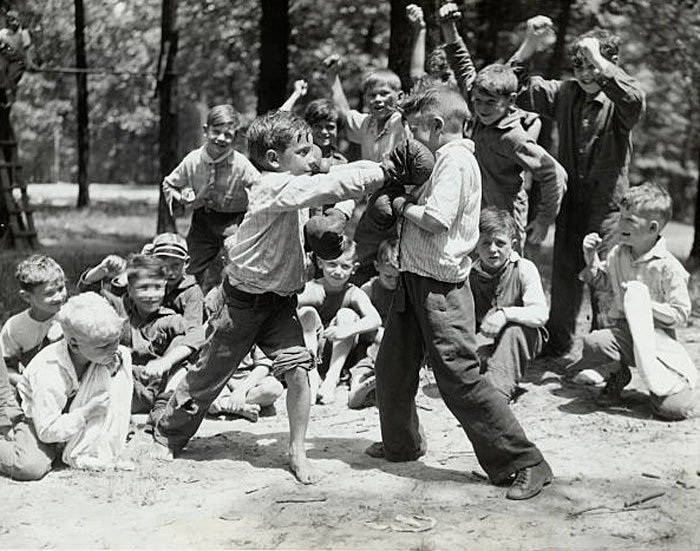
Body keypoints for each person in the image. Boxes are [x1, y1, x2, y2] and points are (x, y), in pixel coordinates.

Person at [150, 110, 388, 484]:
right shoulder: (274, 185)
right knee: (205, 379)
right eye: (304, 150)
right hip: (241, 305)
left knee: (298, 372)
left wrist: (382, 163)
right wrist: (385, 173)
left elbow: (336, 175)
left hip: (279, 305)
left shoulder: (296, 180)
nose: (315, 157)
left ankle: (296, 450)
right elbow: (333, 187)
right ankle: (167, 432)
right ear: (275, 159)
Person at [368, 86, 552, 500]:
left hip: (441, 288)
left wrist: (399, 206)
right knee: (392, 367)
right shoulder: (441, 160)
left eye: (415, 130)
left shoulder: (455, 161)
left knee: (461, 379)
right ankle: (402, 444)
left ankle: (526, 461)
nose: (410, 139)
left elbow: (434, 221)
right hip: (414, 277)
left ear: (436, 126)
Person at [510, 17, 646, 356]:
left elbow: (635, 99)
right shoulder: (565, 92)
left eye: (592, 65)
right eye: (579, 65)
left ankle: (603, 353)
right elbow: (513, 85)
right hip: (571, 199)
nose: (585, 73)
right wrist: (529, 43)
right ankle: (558, 342)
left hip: (607, 203)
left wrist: (600, 63)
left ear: (612, 63)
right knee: (565, 270)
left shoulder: (620, 99)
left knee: (604, 274)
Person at [438, 3, 566, 251]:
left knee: (504, 282)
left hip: (504, 224)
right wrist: (448, 26)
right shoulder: (480, 102)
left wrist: (543, 220)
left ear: (510, 101)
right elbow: (462, 62)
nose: (482, 108)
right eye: (477, 101)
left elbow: (555, 174)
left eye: (490, 103)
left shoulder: (514, 138)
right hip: (473, 217)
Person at [578, 183, 699, 420]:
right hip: (623, 333)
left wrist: (644, 306)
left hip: (656, 340)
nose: (620, 225)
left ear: (652, 227)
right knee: (595, 342)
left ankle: (666, 387)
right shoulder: (617, 254)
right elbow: (602, 282)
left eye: (629, 220)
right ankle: (618, 374)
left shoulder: (669, 267)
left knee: (672, 410)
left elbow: (682, 314)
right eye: (620, 217)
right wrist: (591, 258)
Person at [0, 292, 132, 480]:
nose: (114, 349)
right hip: (35, 416)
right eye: (103, 346)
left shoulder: (101, 355)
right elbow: (46, 430)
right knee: (32, 466)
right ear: (75, 345)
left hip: (68, 412)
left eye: (116, 341)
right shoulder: (49, 371)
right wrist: (86, 412)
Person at [326, 57, 409, 284]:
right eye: (372, 95)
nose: (377, 100)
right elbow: (343, 112)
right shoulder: (366, 124)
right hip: (374, 207)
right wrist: (333, 77)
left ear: (399, 97)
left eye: (384, 93)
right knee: (362, 256)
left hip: (404, 207)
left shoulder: (405, 123)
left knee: (398, 261)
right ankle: (359, 299)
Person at [161, 104, 259, 288]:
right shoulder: (193, 159)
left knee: (234, 268)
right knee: (189, 269)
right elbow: (169, 183)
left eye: (228, 134)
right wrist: (181, 198)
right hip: (203, 222)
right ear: (206, 130)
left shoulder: (241, 164)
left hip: (234, 222)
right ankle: (184, 305)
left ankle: (228, 308)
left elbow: (261, 188)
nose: (221, 138)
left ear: (235, 136)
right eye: (216, 132)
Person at [470, 208, 548, 403]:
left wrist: (505, 313)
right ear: (475, 246)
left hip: (521, 337)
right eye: (485, 243)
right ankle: (490, 372)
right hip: (484, 338)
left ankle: (494, 397)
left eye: (500, 243)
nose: (493, 250)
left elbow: (540, 314)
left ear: (512, 245)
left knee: (515, 331)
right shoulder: (469, 274)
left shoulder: (523, 268)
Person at [297, 239, 382, 405]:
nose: (338, 272)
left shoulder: (353, 292)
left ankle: (331, 380)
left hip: (340, 353)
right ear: (320, 263)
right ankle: (312, 376)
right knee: (307, 312)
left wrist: (347, 330)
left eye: (345, 266)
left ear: (354, 268)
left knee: (346, 314)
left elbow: (375, 319)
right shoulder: (310, 289)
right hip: (311, 350)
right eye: (332, 264)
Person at [348, 238, 399, 409]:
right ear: (377, 267)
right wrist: (377, 333)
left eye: (398, 277)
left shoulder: (404, 289)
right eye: (388, 276)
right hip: (372, 341)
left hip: (397, 342)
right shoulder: (369, 289)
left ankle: (383, 385)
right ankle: (357, 389)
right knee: (363, 364)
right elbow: (361, 325)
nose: (393, 281)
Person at [1, 255, 67, 386]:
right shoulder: (15, 327)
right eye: (49, 293)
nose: (59, 297)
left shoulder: (71, 316)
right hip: (33, 387)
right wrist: (26, 383)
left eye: (61, 288)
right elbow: (5, 368)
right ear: (26, 297)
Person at [0, 10, 34, 104]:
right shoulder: (3, 33)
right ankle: (3, 93)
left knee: (11, 77)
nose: (14, 22)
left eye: (15, 20)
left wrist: (30, 63)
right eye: (11, 20)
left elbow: (28, 50)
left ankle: (8, 97)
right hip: (5, 58)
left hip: (17, 61)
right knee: (1, 70)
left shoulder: (24, 34)